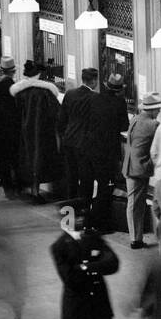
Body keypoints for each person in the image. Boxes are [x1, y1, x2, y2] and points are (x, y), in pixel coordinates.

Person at [83, 71, 129, 232]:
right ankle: (97, 222)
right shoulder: (120, 102)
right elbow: (124, 126)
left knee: (93, 185)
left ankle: (89, 219)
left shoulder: (94, 98)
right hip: (108, 151)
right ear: (119, 89)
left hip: (90, 148)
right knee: (105, 187)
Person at [10, 61, 62, 202]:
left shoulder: (18, 93)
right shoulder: (46, 92)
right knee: (40, 160)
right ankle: (36, 191)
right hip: (42, 133)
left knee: (25, 158)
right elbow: (57, 113)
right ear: (39, 75)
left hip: (23, 132)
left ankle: (24, 188)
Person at [122, 93, 161, 248]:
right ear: (152, 110)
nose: (159, 111)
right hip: (140, 168)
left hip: (129, 165)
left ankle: (136, 237)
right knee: (135, 203)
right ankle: (135, 239)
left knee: (133, 202)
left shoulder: (135, 119)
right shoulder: (154, 125)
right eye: (158, 109)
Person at [58, 67, 97, 213]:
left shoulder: (70, 94)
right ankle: (84, 209)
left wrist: (64, 135)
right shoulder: (95, 98)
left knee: (71, 177)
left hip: (69, 141)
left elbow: (61, 119)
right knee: (86, 178)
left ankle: (69, 210)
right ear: (93, 81)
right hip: (85, 144)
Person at [0, 56, 20, 197]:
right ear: (13, 72)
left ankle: (8, 189)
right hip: (11, 128)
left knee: (2, 159)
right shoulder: (14, 88)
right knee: (14, 158)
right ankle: (17, 187)